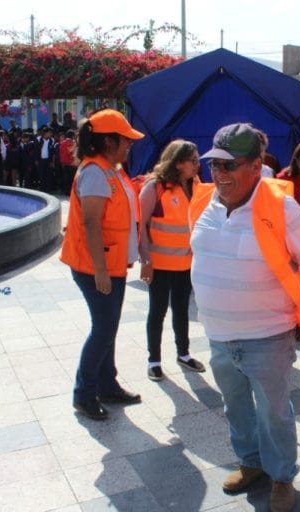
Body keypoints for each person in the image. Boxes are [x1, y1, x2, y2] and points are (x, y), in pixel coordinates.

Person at [189, 122, 300, 512]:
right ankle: (251, 462)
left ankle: (282, 476)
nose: (219, 174)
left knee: (274, 411)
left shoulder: (282, 208)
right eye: (215, 165)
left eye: (230, 166)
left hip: (267, 335)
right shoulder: (203, 201)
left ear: (255, 166)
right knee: (236, 406)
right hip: (218, 333)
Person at [59, 109, 145, 421]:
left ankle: (107, 385)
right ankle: (84, 394)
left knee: (108, 328)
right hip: (96, 266)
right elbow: (92, 224)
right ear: (109, 141)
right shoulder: (95, 172)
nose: (130, 145)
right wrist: (100, 271)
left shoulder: (113, 170)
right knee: (103, 329)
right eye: (126, 140)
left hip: (111, 263)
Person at [138, 140, 206, 382]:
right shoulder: (155, 187)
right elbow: (141, 225)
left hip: (186, 264)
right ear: (178, 163)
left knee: (181, 310)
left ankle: (183, 354)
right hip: (159, 264)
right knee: (157, 312)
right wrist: (145, 260)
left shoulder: (196, 185)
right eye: (193, 160)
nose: (198, 165)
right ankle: (154, 360)